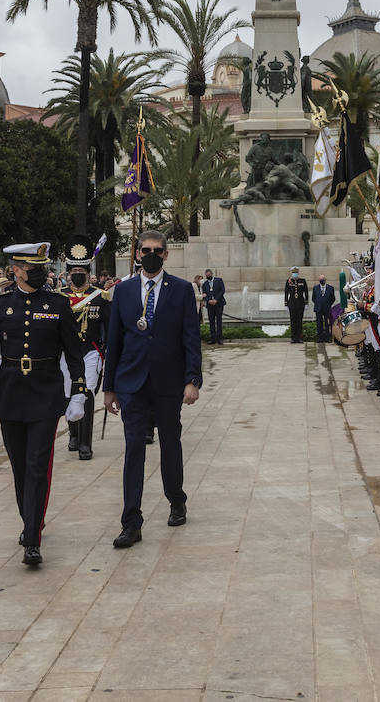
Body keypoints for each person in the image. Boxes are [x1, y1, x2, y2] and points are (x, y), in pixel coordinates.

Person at [0, 241, 89, 566]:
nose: (41, 274)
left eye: (43, 269)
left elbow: (73, 351)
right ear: (17, 270)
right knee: (20, 467)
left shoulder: (57, 303)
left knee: (38, 467)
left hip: (45, 392)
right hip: (11, 392)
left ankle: (32, 538)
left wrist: (78, 391)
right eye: (34, 270)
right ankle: (30, 520)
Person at [102, 230, 202, 550]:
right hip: (132, 384)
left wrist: (192, 380)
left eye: (157, 250)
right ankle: (131, 522)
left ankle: (176, 498)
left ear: (166, 254)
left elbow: (191, 339)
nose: (151, 255)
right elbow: (114, 341)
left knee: (170, 444)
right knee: (134, 450)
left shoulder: (182, 290)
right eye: (146, 250)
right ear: (136, 252)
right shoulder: (124, 291)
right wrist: (109, 388)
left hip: (169, 383)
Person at [58, 236, 103, 460]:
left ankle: (86, 443)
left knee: (86, 393)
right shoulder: (59, 298)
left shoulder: (100, 297)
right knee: (68, 393)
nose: (77, 274)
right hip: (66, 353)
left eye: (81, 270)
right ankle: (73, 435)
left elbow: (107, 327)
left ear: (88, 273)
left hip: (90, 351)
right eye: (73, 270)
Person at [284, 266, 309, 343]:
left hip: (300, 303)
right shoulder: (289, 281)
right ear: (292, 274)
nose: (295, 274)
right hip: (291, 303)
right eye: (293, 273)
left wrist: (306, 303)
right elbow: (286, 293)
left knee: (299, 321)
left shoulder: (302, 281)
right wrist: (285, 303)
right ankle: (293, 338)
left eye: (296, 273)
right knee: (293, 321)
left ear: (298, 273)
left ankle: (300, 338)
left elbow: (306, 292)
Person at [202, 268, 226, 344]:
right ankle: (213, 339)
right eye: (207, 275)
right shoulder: (205, 284)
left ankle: (220, 338)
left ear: (212, 274)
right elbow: (204, 294)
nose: (208, 276)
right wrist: (208, 300)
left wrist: (216, 300)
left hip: (218, 304)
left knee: (219, 321)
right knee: (211, 322)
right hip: (210, 305)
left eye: (209, 275)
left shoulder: (219, 280)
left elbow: (222, 290)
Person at [312, 273, 335, 343]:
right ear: (319, 280)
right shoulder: (315, 288)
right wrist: (318, 303)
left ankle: (327, 337)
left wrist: (328, 304)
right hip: (318, 308)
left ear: (325, 280)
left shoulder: (330, 288)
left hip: (327, 308)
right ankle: (320, 338)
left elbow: (333, 298)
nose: (322, 281)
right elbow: (313, 298)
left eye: (323, 279)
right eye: (321, 279)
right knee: (319, 323)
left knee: (327, 323)